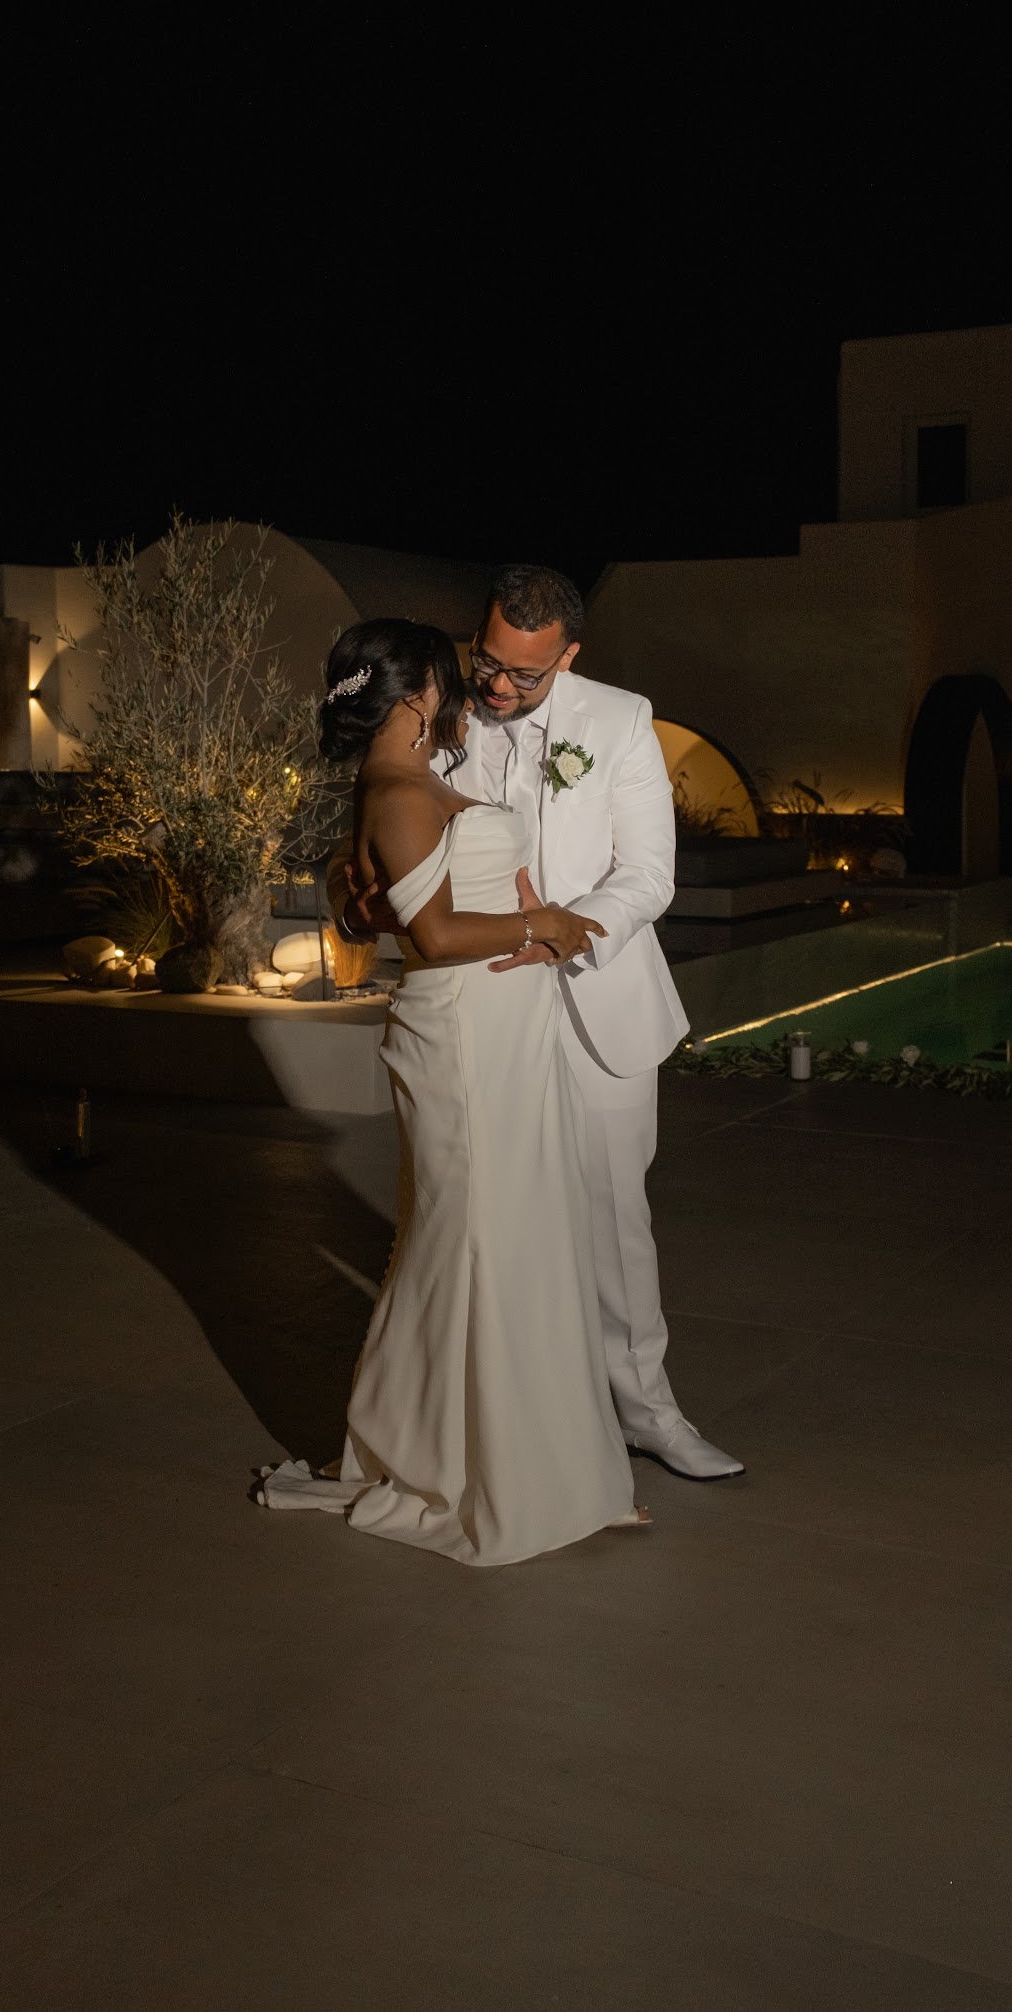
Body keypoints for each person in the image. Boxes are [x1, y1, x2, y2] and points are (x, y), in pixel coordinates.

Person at [258, 616, 648, 1564]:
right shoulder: (397, 790)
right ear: (417, 694)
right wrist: (546, 925)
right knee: (475, 1239)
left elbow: (379, 901)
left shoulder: (410, 782)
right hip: (467, 1036)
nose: (463, 695)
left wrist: (492, 906)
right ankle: (479, 1469)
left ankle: (540, 1464)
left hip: (501, 1027)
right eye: (449, 680)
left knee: (505, 1239)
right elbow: (430, 936)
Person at [391, 563, 742, 1482]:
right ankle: (520, 1417)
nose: (498, 686)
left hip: (597, 997)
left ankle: (647, 1414)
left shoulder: (621, 721)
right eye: (488, 661)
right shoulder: (443, 716)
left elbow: (648, 875)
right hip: (480, 996)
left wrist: (561, 933)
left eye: (524, 673)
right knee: (489, 1211)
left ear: (569, 656)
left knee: (613, 1222)